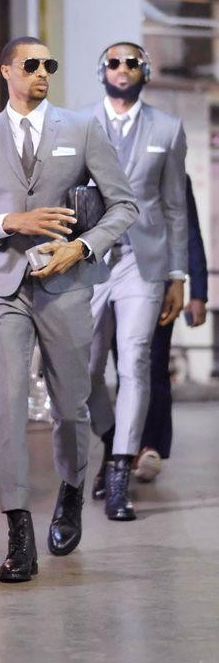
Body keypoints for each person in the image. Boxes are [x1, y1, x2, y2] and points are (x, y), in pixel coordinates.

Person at [0, 36, 137, 583]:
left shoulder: (82, 129)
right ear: (6, 71)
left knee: (70, 406)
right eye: (32, 64)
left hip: (67, 285)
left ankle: (71, 491)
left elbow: (124, 205)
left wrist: (81, 247)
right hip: (5, 288)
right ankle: (18, 531)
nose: (43, 72)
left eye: (50, 65)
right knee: (7, 407)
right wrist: (7, 222)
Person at [87, 42, 188, 520]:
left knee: (136, 362)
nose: (122, 68)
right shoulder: (79, 124)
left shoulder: (168, 129)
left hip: (143, 263)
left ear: (145, 71)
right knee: (85, 370)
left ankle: (120, 471)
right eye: (114, 62)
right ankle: (112, 440)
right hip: (90, 260)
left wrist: (177, 275)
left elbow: (174, 207)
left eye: (132, 62)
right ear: (102, 71)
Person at [135, 175, 208, 480]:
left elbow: (190, 231)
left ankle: (150, 446)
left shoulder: (175, 175)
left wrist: (198, 294)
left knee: (154, 363)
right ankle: (120, 448)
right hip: (110, 280)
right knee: (122, 365)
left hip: (162, 283)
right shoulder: (102, 163)